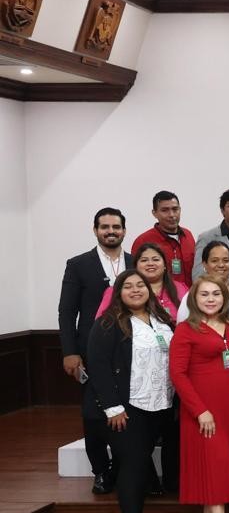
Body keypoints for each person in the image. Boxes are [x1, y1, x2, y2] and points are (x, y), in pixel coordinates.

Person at [86, 270, 173, 513]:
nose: (135, 290)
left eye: (140, 285)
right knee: (133, 466)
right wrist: (113, 407)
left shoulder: (162, 321)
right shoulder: (108, 324)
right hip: (125, 410)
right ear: (118, 293)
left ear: (149, 290)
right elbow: (98, 367)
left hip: (158, 406)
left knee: (137, 464)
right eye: (128, 287)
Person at [169, 275, 229, 513]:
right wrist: (199, 410)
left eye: (216, 293)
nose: (211, 299)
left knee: (223, 463)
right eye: (204, 294)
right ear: (194, 298)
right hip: (203, 410)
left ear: (224, 297)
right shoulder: (185, 330)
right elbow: (177, 375)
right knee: (214, 465)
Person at [59, 208, 130, 494]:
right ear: (95, 230)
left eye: (116, 226)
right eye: (104, 227)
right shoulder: (79, 264)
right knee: (93, 413)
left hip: (128, 352)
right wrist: (69, 351)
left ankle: (121, 469)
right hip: (90, 350)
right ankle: (100, 470)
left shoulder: (135, 262)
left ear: (124, 230)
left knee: (126, 410)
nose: (110, 231)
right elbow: (67, 312)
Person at [96, 242, 186, 320]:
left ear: (165, 265)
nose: (150, 264)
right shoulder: (117, 290)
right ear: (136, 266)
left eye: (156, 259)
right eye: (144, 260)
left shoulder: (181, 288)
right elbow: (102, 324)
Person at [177, 242, 229, 330]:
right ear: (204, 264)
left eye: (225, 260)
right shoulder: (193, 295)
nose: (221, 265)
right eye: (214, 261)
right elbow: (182, 328)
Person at [132, 190, 196, 288]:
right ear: (154, 213)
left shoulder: (188, 235)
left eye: (175, 209)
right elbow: (135, 276)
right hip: (160, 299)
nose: (171, 215)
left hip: (190, 297)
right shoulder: (143, 241)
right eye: (165, 210)